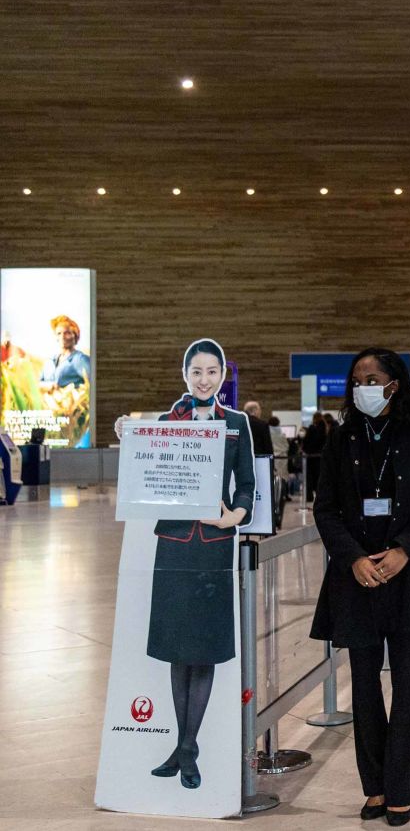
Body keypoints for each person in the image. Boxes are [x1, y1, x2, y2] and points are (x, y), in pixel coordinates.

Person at [310, 348, 410, 826]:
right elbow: (325, 507)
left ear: (395, 382)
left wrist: (404, 550)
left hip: (406, 574)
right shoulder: (341, 437)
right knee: (365, 686)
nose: (362, 386)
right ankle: (374, 787)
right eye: (356, 379)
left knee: (408, 684)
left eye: (372, 377)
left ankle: (403, 789)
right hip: (357, 578)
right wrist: (351, 558)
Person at [115, 338, 255, 790]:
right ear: (185, 374)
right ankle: (185, 746)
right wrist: (128, 437)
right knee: (179, 647)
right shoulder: (164, 422)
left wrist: (233, 516)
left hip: (214, 544)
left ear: (222, 377)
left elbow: (247, 484)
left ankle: (187, 749)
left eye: (212, 371)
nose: (204, 379)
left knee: (205, 647)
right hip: (174, 545)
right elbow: (146, 475)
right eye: (196, 371)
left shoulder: (237, 424)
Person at [39, 314, 91, 391]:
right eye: (59, 333)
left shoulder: (80, 359)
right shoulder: (49, 362)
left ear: (75, 336)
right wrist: (49, 386)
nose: (62, 337)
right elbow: (39, 384)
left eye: (67, 333)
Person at [302, 411, 328, 502]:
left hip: (311, 457)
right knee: (320, 478)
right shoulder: (325, 429)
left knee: (309, 478)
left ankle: (309, 497)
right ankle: (321, 497)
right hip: (321, 457)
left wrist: (305, 449)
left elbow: (306, 442)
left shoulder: (312, 428)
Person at [268, 415, 290, 488]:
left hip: (272, 457)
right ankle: (283, 495)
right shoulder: (281, 434)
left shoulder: (267, 433)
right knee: (283, 476)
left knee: (272, 476)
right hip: (282, 458)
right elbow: (286, 446)